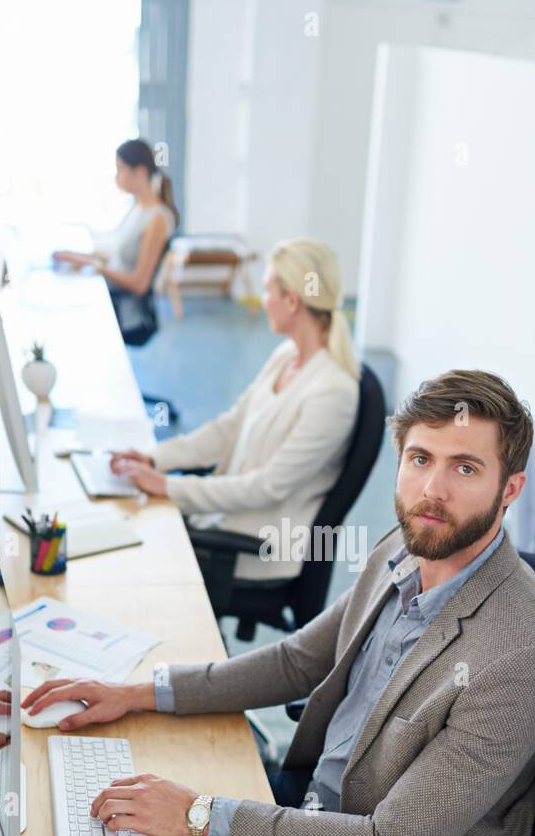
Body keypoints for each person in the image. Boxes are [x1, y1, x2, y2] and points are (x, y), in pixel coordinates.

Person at [22, 370, 535, 836]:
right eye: (419, 459)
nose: (433, 489)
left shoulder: (517, 658)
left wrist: (197, 814)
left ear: (509, 487)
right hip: (311, 807)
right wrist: (138, 693)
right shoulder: (410, 546)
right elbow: (297, 658)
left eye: (465, 467)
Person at [107, 237, 361, 584]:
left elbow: (267, 487)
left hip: (254, 548)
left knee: (135, 555)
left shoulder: (333, 393)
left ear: (292, 300)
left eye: (268, 290)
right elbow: (228, 429)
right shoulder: (286, 356)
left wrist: (167, 486)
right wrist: (155, 459)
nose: (262, 300)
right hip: (224, 523)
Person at [52, 138, 179, 346]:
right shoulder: (138, 208)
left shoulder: (157, 218)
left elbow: (139, 285)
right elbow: (119, 254)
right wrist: (77, 256)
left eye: (120, 169)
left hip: (130, 313)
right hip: (114, 295)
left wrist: (95, 266)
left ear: (140, 172)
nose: (116, 176)